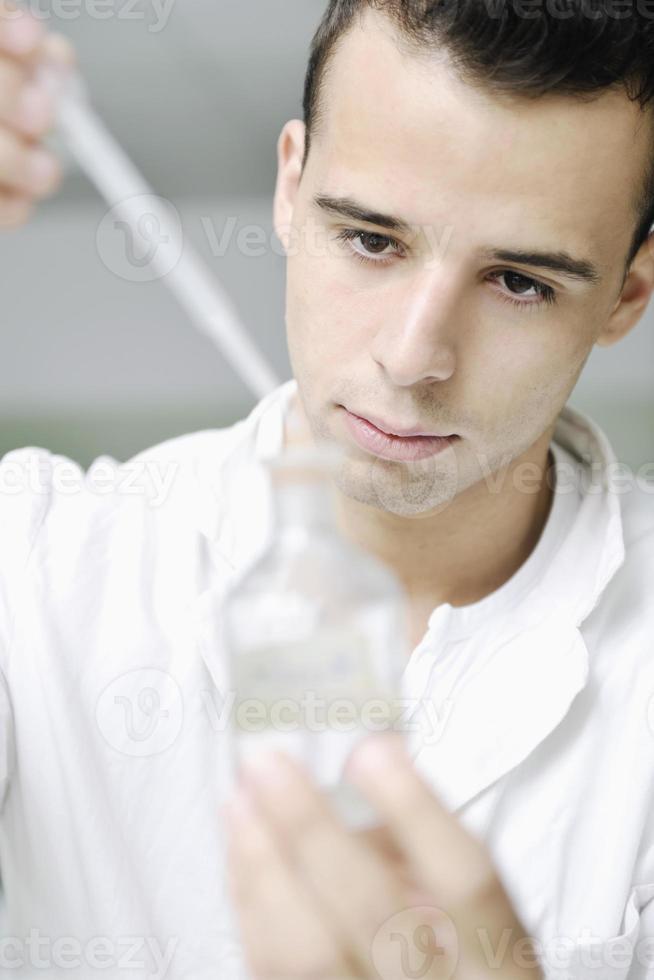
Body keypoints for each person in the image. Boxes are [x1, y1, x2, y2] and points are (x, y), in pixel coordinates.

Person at [0, 1, 652, 978]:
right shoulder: (35, 570)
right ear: (290, 185)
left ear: (626, 297)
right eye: (373, 240)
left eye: (519, 280)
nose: (413, 356)